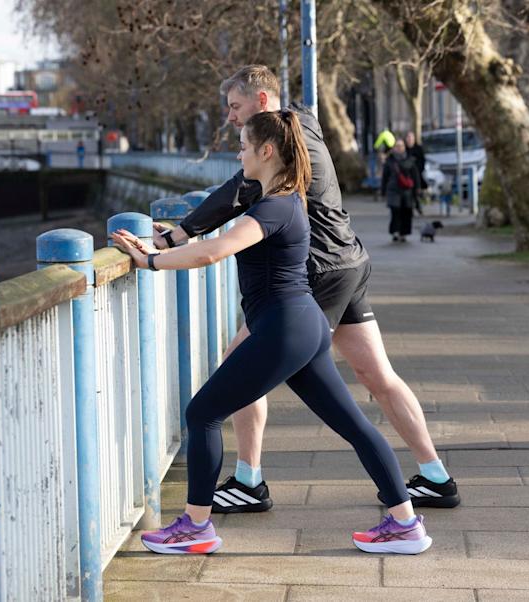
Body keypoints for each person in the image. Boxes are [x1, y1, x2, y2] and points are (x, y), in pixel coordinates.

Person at [111, 110, 432, 555]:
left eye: (243, 145)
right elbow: (220, 214)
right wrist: (171, 239)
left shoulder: (276, 205)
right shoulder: (281, 199)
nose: (238, 153)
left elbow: (215, 252)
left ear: (266, 151)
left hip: (287, 328)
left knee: (202, 413)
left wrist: (150, 260)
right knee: (355, 427)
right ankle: (405, 525)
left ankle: (195, 527)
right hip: (302, 326)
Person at [151, 65, 460, 512]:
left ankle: (248, 481)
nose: (231, 119)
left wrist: (175, 238)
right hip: (348, 263)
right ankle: (434, 476)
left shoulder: (283, 146)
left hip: (317, 275)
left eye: (236, 108)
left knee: (240, 365)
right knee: (376, 376)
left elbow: (238, 191)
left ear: (261, 101)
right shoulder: (305, 123)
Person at [382, 140, 421, 242]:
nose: (399, 148)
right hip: (393, 190)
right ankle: (395, 231)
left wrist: (417, 188)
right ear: (394, 148)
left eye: (401, 146)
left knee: (406, 212)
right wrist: (383, 190)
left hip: (407, 191)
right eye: (397, 146)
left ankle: (403, 233)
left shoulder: (410, 160)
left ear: (404, 147)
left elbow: (415, 175)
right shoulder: (390, 161)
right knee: (395, 211)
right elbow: (385, 176)